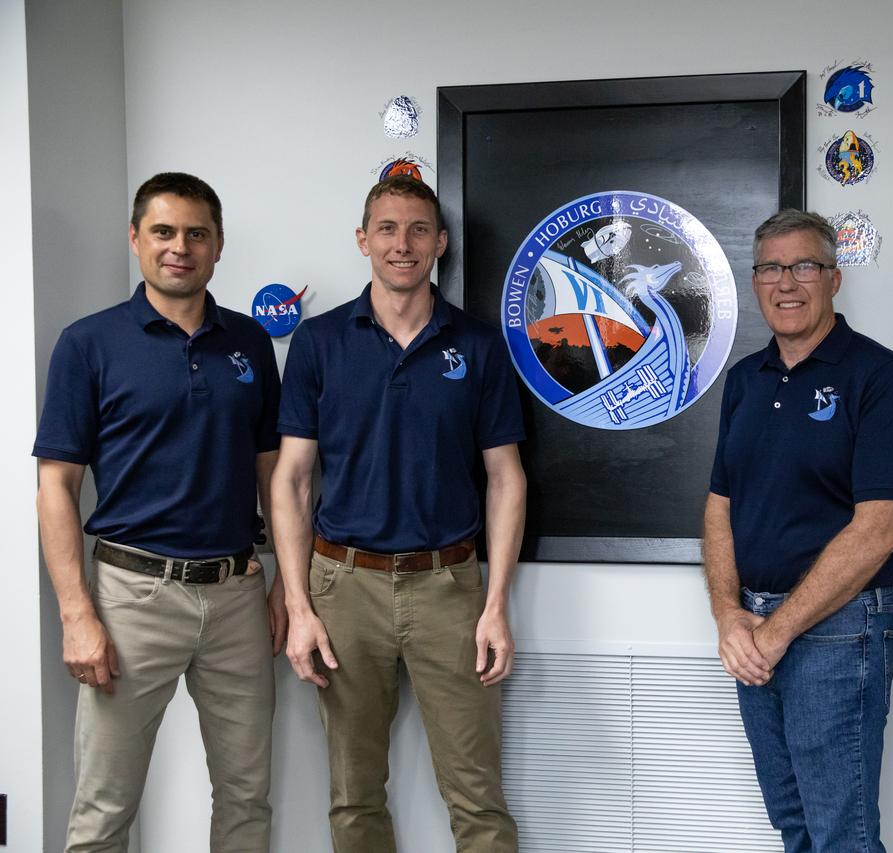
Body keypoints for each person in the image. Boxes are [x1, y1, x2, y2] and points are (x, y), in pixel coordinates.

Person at [272, 175, 525, 852]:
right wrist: (298, 605)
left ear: (440, 243)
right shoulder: (320, 342)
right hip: (342, 587)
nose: (402, 244)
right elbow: (293, 479)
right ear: (363, 240)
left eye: (418, 229)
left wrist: (496, 600)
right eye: (386, 228)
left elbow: (506, 479)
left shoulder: (478, 345)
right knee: (353, 799)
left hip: (449, 588)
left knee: (477, 797)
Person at [34, 172, 286, 852]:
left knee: (246, 798)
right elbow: (56, 485)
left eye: (196, 234)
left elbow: (277, 478)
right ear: (136, 239)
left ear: (218, 245)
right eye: (164, 232)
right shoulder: (88, 343)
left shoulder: (250, 345)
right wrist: (77, 612)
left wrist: (285, 583)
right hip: (130, 596)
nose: (181, 248)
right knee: (104, 806)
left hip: (237, 594)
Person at [703, 209, 893, 853]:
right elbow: (720, 504)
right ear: (754, 283)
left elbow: (881, 528)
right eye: (772, 268)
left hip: (841, 629)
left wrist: (775, 632)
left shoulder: (879, 377)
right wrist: (729, 615)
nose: (788, 283)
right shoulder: (746, 380)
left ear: (834, 278)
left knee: (841, 835)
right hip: (754, 628)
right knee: (794, 823)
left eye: (804, 266)